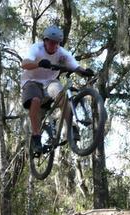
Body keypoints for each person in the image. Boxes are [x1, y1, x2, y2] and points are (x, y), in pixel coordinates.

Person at [21, 25, 94, 155]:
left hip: (50, 82)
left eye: (57, 43)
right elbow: (25, 63)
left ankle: (71, 128)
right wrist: (39, 64)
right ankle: (36, 137)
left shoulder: (62, 53)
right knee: (35, 100)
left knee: (61, 95)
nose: (54, 46)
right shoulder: (36, 48)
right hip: (31, 81)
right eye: (51, 42)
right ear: (45, 41)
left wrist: (85, 72)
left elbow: (75, 66)